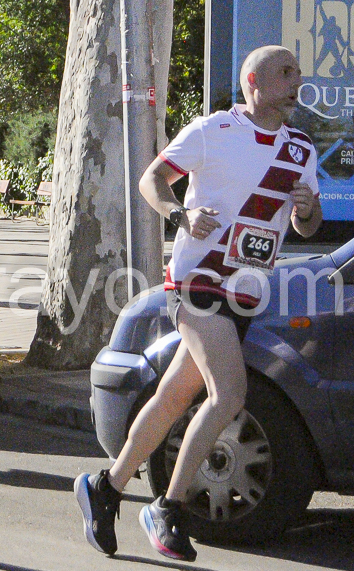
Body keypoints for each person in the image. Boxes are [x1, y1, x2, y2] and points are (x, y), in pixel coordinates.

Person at [74, 45, 322, 561]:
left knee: (172, 398)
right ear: (253, 82)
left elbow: (306, 226)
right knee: (229, 393)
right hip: (198, 281)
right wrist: (179, 215)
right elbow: (153, 179)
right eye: (285, 72)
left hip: (248, 291)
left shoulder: (301, 148)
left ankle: (107, 486)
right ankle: (170, 505)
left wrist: (307, 210)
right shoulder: (213, 131)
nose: (296, 81)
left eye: (297, 72)